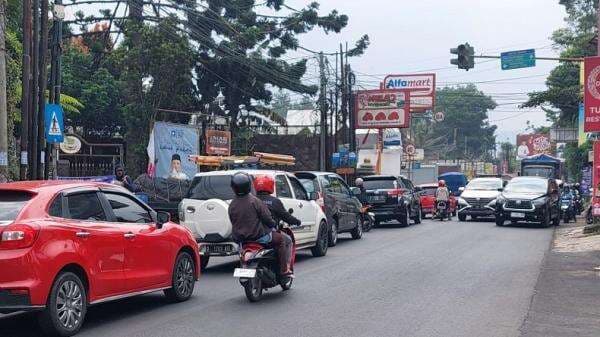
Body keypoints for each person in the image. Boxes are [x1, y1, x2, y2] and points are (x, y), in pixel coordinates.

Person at [228, 172, 294, 277]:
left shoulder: (232, 204)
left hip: (240, 239)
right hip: (259, 237)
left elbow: (233, 220)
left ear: (233, 187)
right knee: (283, 240)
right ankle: (284, 270)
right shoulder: (255, 201)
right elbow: (267, 219)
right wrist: (273, 225)